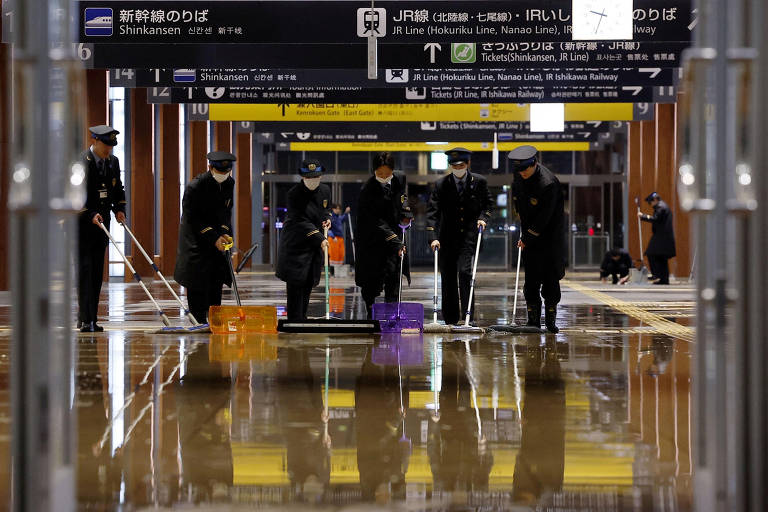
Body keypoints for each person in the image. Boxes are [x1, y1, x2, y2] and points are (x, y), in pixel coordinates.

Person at [426, 147, 493, 325]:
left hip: (469, 237)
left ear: (468, 164)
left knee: (464, 272)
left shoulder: (479, 182)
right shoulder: (441, 184)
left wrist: (483, 218)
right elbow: (433, 212)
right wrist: (433, 236)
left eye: (461, 165)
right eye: (454, 166)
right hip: (447, 239)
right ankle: (450, 318)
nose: (458, 168)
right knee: (447, 277)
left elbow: (488, 205)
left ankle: (468, 316)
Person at [174, 151, 236, 324]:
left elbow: (226, 212)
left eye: (227, 172)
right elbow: (192, 218)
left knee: (216, 282)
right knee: (198, 285)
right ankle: (198, 321)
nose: (223, 175)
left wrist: (224, 232)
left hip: (217, 243)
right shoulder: (196, 187)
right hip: (196, 243)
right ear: (210, 168)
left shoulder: (229, 183)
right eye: (220, 171)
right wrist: (214, 238)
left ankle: (215, 322)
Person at [510, 145, 566, 333]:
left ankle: (550, 321)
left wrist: (527, 237)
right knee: (531, 281)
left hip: (550, 239)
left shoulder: (548, 183)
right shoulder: (518, 177)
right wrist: (524, 233)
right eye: (518, 170)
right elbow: (519, 204)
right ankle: (532, 321)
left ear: (534, 163)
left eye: (525, 169)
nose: (522, 173)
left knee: (550, 281)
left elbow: (545, 217)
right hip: (530, 239)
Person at [77, 125, 127, 332]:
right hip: (82, 227)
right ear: (95, 141)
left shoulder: (112, 162)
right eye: (106, 145)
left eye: (111, 146)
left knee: (97, 273)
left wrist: (120, 209)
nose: (109, 150)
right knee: (85, 272)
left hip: (102, 226)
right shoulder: (80, 163)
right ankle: (86, 319)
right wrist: (90, 214)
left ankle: (90, 318)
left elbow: (117, 189)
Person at [354, 152, 413, 319]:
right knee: (371, 281)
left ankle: (392, 314)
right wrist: (396, 241)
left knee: (393, 275)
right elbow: (375, 221)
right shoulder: (367, 190)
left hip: (393, 238)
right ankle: (370, 314)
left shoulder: (399, 179)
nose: (384, 177)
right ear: (374, 171)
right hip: (371, 239)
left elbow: (402, 200)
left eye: (387, 173)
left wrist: (406, 216)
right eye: (380, 174)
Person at [275, 159, 332, 321]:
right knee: (296, 284)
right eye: (309, 178)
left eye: (316, 177)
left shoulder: (325, 190)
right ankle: (294, 320)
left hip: (313, 246)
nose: (313, 181)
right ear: (303, 177)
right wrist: (320, 237)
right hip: (296, 246)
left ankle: (302, 318)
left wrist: (328, 218)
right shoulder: (294, 194)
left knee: (308, 282)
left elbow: (326, 209)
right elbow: (299, 220)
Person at [639, 192, 676, 285]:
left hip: (661, 237)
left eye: (650, 202)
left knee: (652, 254)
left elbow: (656, 219)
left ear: (655, 200)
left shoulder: (660, 207)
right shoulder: (663, 206)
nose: (650, 204)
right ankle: (663, 279)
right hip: (664, 237)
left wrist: (643, 216)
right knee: (661, 258)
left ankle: (657, 275)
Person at [328, 204, 350, 270]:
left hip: (340, 238)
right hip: (333, 238)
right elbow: (328, 229)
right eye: (336, 209)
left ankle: (338, 271)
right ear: (333, 209)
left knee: (340, 254)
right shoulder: (331, 217)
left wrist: (346, 212)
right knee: (333, 255)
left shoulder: (338, 217)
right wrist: (332, 236)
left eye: (339, 209)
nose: (338, 210)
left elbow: (343, 218)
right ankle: (332, 272)